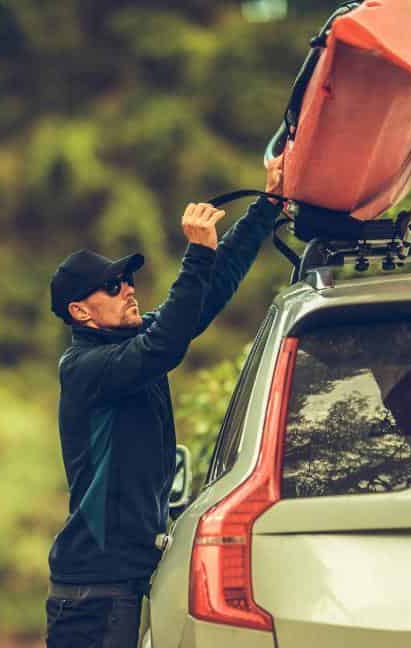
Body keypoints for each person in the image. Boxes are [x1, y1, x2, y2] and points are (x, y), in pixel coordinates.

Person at [44, 163, 283, 647]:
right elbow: (165, 345)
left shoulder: (128, 346)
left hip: (119, 582)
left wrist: (268, 205)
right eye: (113, 286)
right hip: (93, 591)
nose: (128, 288)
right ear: (80, 312)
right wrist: (195, 255)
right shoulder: (87, 367)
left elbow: (203, 297)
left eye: (128, 280)